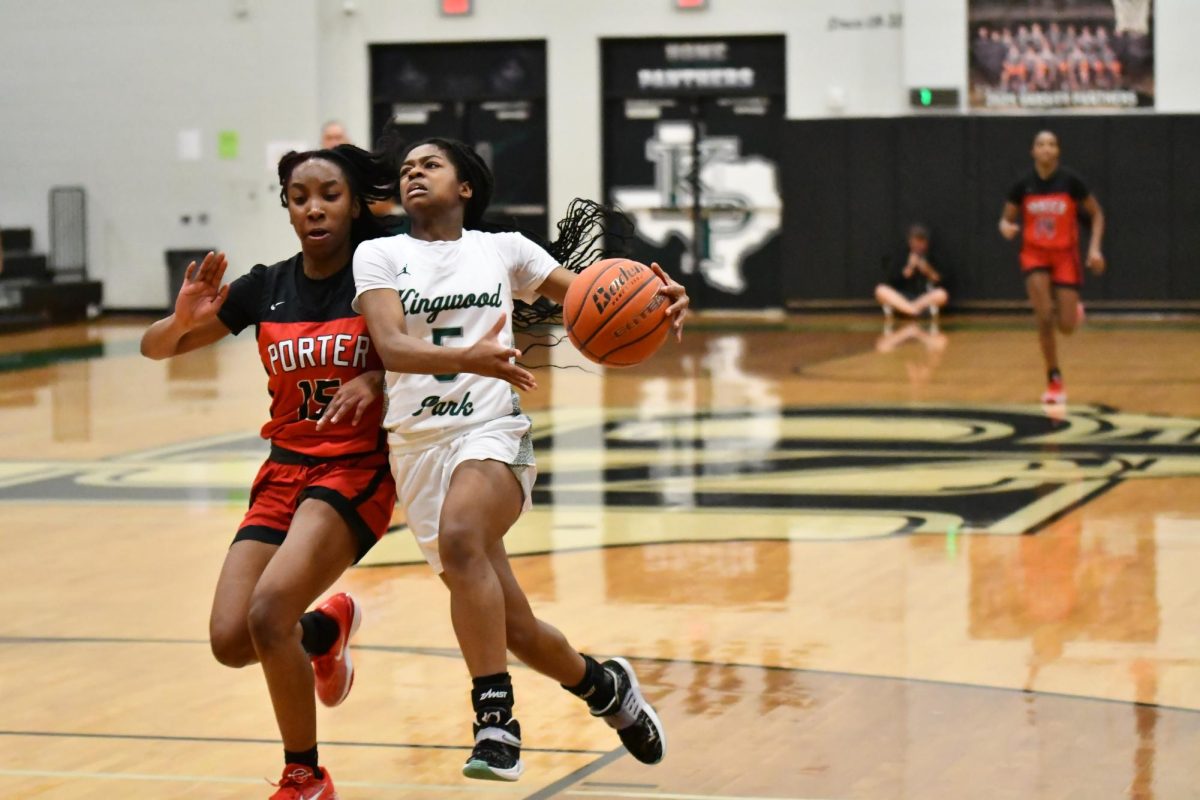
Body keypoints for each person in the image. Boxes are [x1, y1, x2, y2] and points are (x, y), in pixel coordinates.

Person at [353, 137, 688, 781]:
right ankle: (604, 688)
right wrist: (464, 357)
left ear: (466, 187)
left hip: (492, 431)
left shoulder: (501, 248)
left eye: (431, 165)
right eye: (406, 169)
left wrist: (659, 296)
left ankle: (494, 720)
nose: (414, 173)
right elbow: (391, 345)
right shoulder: (379, 253)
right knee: (515, 628)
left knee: (462, 536)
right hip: (416, 448)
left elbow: (591, 296)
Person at [140, 145, 399, 799]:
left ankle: (305, 775)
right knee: (232, 639)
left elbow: (429, 352)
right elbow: (156, 349)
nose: (314, 207)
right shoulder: (267, 286)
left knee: (265, 612)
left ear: (354, 204)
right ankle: (326, 628)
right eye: (299, 196)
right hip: (283, 471)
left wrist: (377, 376)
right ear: (286, 207)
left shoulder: (383, 279)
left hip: (352, 472)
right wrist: (183, 316)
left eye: (329, 194)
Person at [999, 130, 1105, 405]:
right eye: (1040, 144)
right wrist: (1006, 227)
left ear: (1057, 152)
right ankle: (1054, 378)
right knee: (1044, 315)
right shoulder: (1023, 184)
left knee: (1066, 327)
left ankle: (1073, 312)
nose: (1046, 149)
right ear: (1032, 151)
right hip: (1034, 255)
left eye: (1051, 144)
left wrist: (1094, 249)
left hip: (1064, 256)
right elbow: (1006, 218)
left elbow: (1096, 214)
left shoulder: (1071, 182)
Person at [874, 224, 948, 329]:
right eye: (915, 242)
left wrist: (928, 271)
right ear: (910, 242)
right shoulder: (900, 256)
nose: (918, 246)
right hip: (901, 299)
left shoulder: (934, 257)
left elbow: (942, 282)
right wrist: (908, 269)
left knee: (942, 294)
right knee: (880, 290)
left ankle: (911, 311)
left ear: (926, 243)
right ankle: (912, 311)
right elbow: (891, 281)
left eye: (921, 242)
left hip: (923, 299)